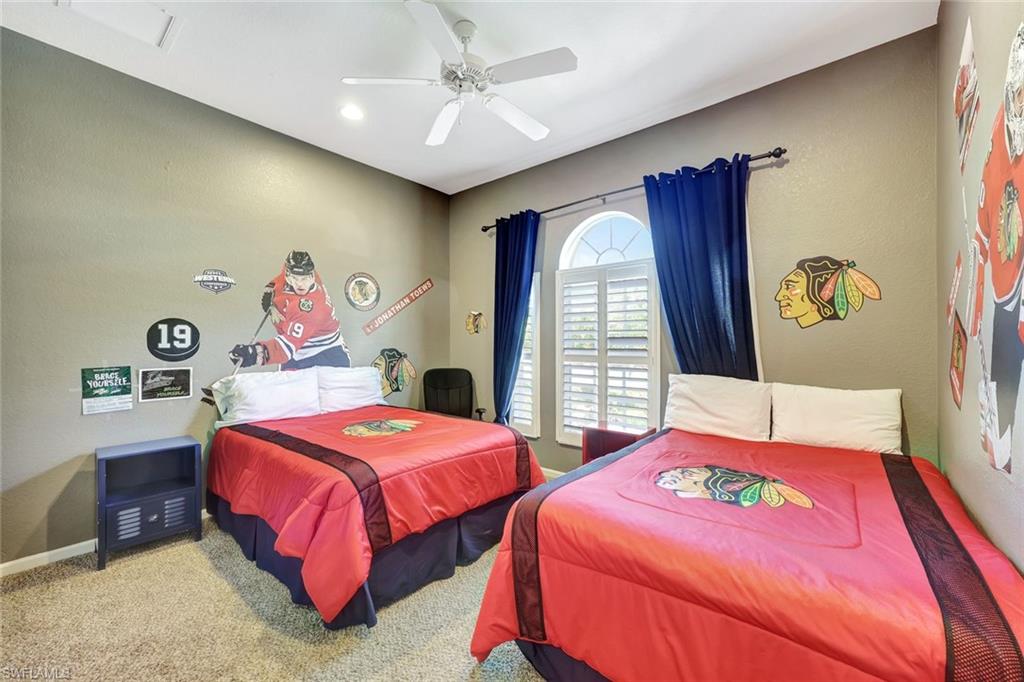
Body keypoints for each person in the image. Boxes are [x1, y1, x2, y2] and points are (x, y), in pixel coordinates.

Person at [969, 24, 1024, 474]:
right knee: (1002, 336)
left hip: (1009, 273)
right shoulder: (999, 130)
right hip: (1006, 272)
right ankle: (998, 439)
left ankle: (1000, 440)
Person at [229, 251, 351, 370]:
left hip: (326, 356)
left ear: (312, 277)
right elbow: (284, 274)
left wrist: (253, 353)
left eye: (304, 279)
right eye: (295, 278)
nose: (299, 284)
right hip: (296, 351)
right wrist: (271, 287)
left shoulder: (309, 308)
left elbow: (284, 349)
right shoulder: (305, 271)